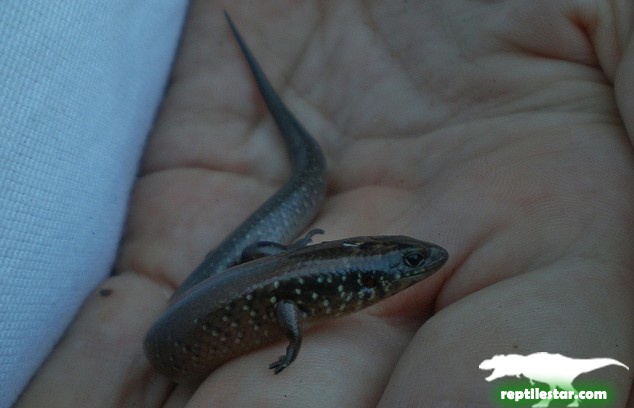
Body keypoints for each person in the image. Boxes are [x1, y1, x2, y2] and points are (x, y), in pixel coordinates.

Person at [16, 1, 633, 406]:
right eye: (407, 264)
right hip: (169, 350)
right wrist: (292, 344)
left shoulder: (316, 282)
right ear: (363, 281)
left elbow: (282, 283)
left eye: (408, 260)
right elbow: (287, 301)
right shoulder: (305, 295)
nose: (422, 263)